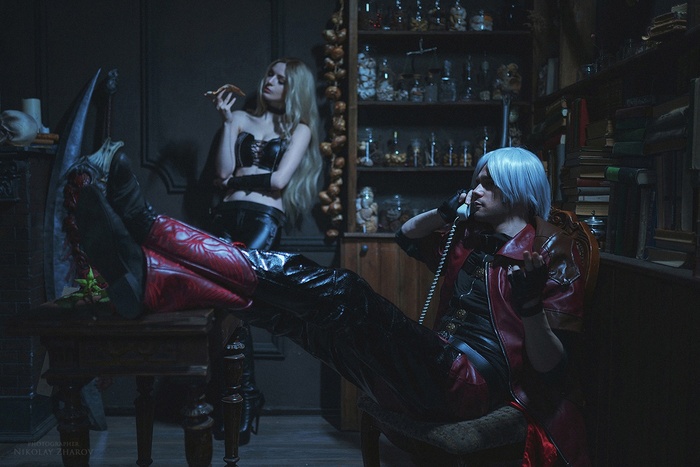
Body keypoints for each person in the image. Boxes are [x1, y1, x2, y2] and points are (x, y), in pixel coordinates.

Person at [76, 146, 590, 466]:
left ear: (518, 190)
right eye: (476, 181)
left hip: (471, 385)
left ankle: (150, 229)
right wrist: (445, 210)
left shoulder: (553, 252)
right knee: (302, 320)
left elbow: (554, 368)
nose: (475, 190)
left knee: (344, 293)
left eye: (487, 183)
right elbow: (407, 237)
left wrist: (529, 308)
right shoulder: (469, 237)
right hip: (431, 367)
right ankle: (159, 280)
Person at [205, 58, 322, 444]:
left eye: (280, 79)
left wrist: (239, 180)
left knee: (234, 302)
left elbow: (279, 180)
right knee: (220, 304)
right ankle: (242, 396)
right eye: (270, 74)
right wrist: (226, 123)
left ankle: (240, 398)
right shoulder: (238, 118)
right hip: (225, 217)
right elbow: (222, 173)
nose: (269, 81)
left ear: (295, 89)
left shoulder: (300, 129)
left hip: (263, 221)